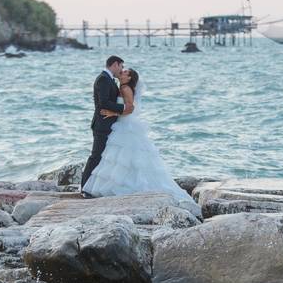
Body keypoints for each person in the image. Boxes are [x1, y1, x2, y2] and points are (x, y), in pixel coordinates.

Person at [81, 67, 198, 209]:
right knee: (122, 158)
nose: (122, 72)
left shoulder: (125, 89)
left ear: (129, 78)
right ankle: (122, 183)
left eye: (125, 72)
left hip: (125, 125)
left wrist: (113, 113)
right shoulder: (122, 86)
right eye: (122, 70)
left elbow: (131, 109)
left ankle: (130, 186)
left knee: (125, 157)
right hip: (121, 125)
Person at [80, 55, 127, 196]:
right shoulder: (103, 79)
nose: (122, 70)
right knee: (96, 156)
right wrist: (124, 108)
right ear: (115, 64)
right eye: (121, 66)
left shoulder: (108, 79)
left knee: (104, 157)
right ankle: (84, 188)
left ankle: (95, 187)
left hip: (107, 124)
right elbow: (103, 103)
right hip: (102, 124)